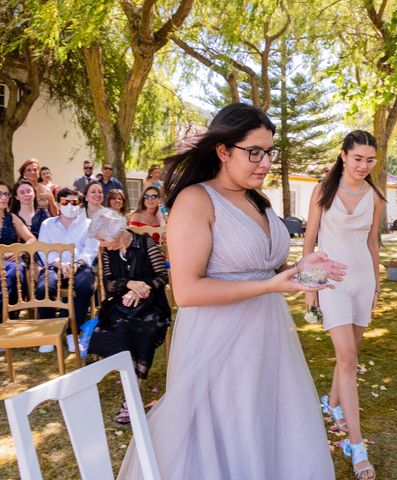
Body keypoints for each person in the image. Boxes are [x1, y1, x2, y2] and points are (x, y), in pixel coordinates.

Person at [117, 103, 342, 479]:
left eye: (269, 151)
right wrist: (272, 284)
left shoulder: (258, 200)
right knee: (224, 429)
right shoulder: (196, 200)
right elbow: (186, 292)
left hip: (267, 334)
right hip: (217, 340)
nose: (265, 162)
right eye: (254, 152)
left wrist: (297, 270)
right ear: (223, 151)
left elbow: (264, 269)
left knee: (264, 423)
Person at [304, 131, 384, 480]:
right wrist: (310, 290)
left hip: (362, 281)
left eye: (370, 160)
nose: (363, 166)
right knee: (348, 359)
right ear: (343, 156)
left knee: (350, 354)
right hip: (331, 282)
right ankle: (356, 446)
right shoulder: (323, 190)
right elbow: (309, 240)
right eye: (358, 158)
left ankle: (333, 404)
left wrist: (377, 283)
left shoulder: (377, 197)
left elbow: (372, 243)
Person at [87, 208, 171, 424]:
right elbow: (108, 283)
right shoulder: (108, 251)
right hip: (120, 302)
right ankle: (87, 385)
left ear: (117, 233)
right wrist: (129, 285)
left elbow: (162, 276)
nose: (103, 245)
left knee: (144, 332)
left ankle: (131, 398)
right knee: (103, 330)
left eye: (105, 240)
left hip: (152, 303)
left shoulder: (145, 244)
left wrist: (141, 289)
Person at [36, 187, 99, 353]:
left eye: (74, 202)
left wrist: (76, 264)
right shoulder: (47, 224)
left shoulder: (88, 224)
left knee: (84, 287)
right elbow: (43, 250)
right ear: (57, 203)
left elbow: (91, 249)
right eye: (65, 202)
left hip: (79, 266)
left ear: (79, 205)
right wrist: (58, 264)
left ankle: (73, 333)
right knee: (44, 288)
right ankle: (49, 335)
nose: (70, 205)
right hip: (54, 265)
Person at [0, 181, 36, 317]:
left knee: (16, 270)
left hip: (11, 263)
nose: (3, 197)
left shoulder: (12, 218)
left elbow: (32, 239)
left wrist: (19, 251)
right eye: (0, 194)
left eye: (6, 194)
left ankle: (10, 316)